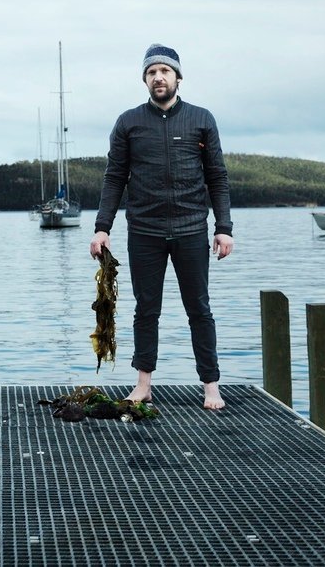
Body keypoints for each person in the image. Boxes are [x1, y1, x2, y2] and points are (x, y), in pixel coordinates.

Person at [89, 43, 233, 410]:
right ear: (145, 79)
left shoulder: (202, 119)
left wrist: (224, 227)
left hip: (190, 229)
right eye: (151, 72)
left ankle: (211, 386)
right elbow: (114, 178)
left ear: (178, 77)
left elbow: (217, 177)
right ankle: (143, 384)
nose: (158, 77)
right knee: (145, 309)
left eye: (165, 71)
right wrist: (102, 227)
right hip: (144, 230)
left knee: (198, 308)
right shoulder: (128, 122)